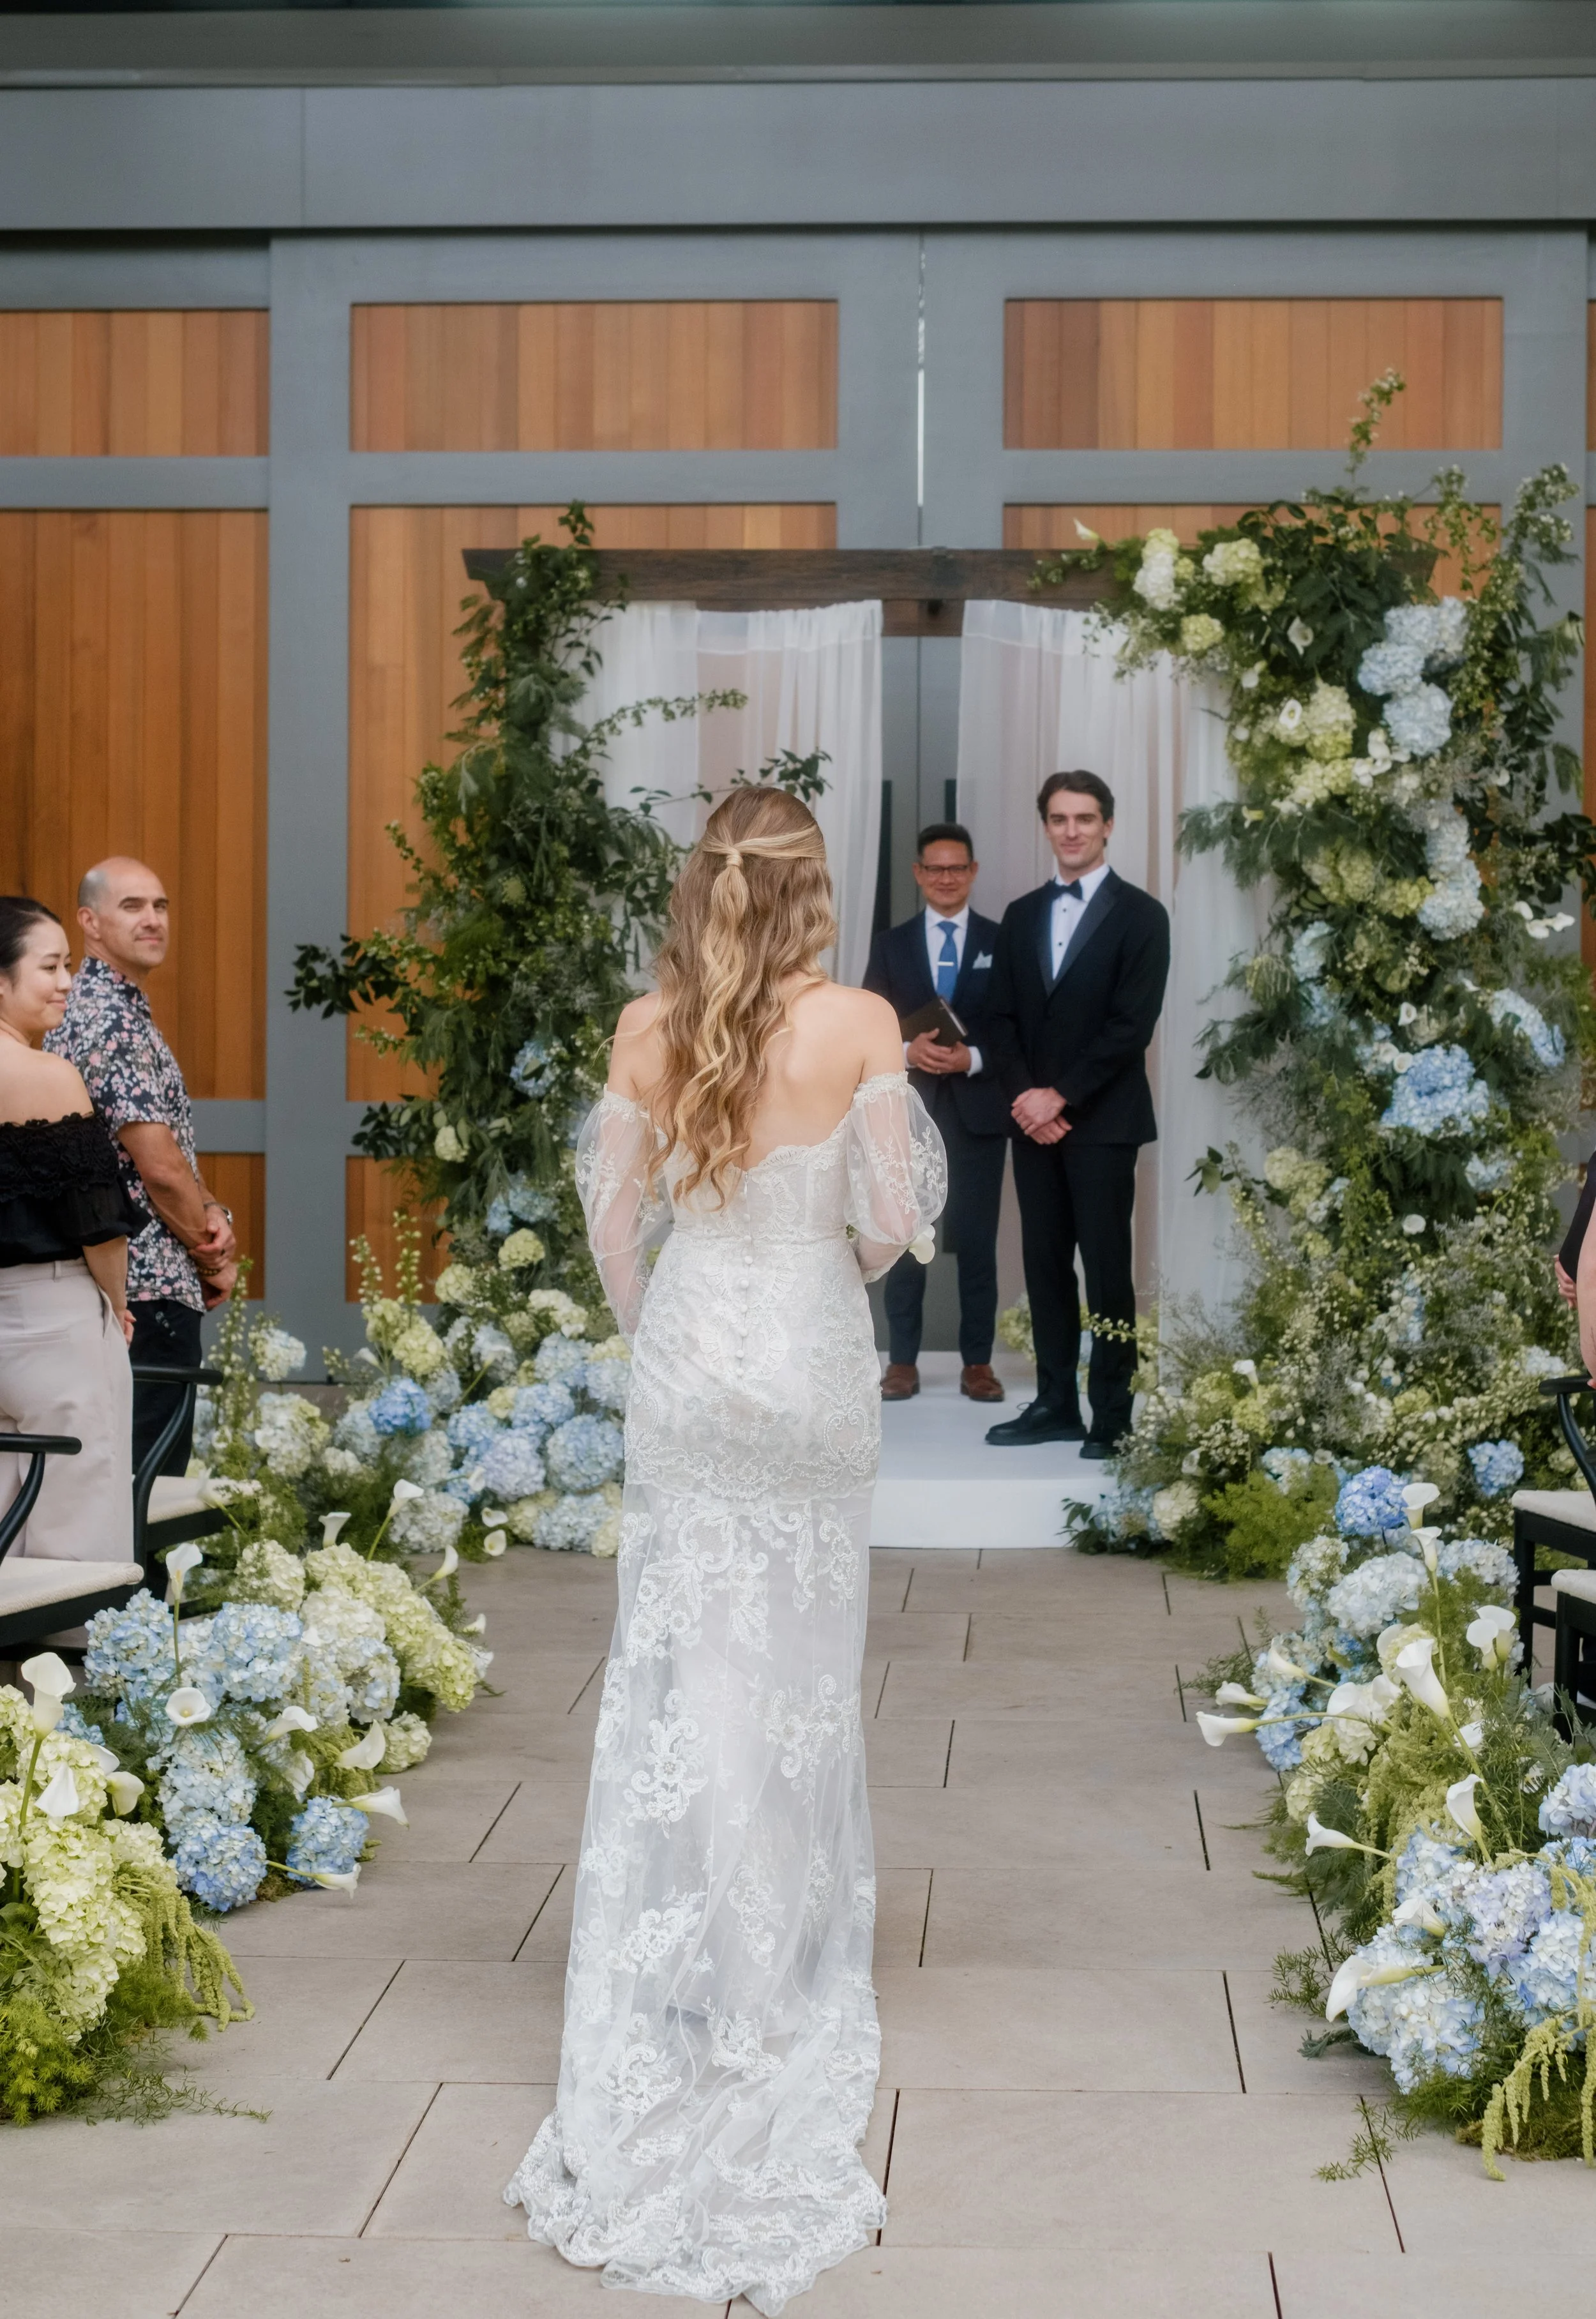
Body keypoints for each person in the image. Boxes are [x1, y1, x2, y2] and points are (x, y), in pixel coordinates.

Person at [504, 786, 945, 2314]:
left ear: (700, 883)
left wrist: (671, 1341)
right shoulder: (863, 1022)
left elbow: (615, 1229)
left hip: (697, 1357)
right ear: (816, 886)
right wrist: (822, 1260)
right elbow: (891, 1224)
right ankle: (778, 1966)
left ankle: (699, 1949)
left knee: (689, 1663)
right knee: (802, 1667)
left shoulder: (648, 1026)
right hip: (814, 1362)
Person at [984, 769, 1170, 1457]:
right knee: (1044, 1265)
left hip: (1102, 1121)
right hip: (1032, 1123)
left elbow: (1131, 1026)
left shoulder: (1143, 915)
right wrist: (1028, 1100)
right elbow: (997, 1018)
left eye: (1084, 819)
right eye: (1059, 819)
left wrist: (1058, 1097)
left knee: (1106, 1267)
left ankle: (1112, 1414)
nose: (1071, 830)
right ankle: (1055, 1402)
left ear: (1107, 825)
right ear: (1046, 826)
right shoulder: (1022, 913)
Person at [46, 857, 237, 1476]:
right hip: (147, 1288)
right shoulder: (110, 1019)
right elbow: (155, 1165)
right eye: (132, 906)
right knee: (146, 1487)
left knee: (123, 1481)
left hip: (127, 1284)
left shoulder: (98, 1007)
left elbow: (167, 1151)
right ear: (89, 921)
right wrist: (210, 1252)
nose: (153, 919)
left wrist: (211, 1211)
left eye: (160, 905)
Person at [0, 896, 141, 1560]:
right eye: (50, 966)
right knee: (79, 1494)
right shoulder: (49, 1076)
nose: (66, 982)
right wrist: (115, 1301)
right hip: (54, 1316)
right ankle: (64, 1654)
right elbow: (100, 1225)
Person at [862, 820, 1007, 1403]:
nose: (946, 878)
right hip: (909, 1111)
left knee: (976, 1240)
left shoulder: (1004, 942)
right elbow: (870, 1023)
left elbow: (1018, 1032)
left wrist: (972, 1058)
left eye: (958, 868)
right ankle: (901, 1362)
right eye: (935, 869)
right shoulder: (890, 944)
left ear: (972, 872)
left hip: (978, 1112)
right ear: (920, 874)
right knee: (905, 1235)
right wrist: (906, 1051)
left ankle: (978, 1363)